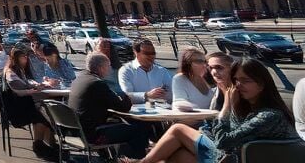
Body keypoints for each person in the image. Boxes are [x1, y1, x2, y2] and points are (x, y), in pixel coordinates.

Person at [120, 58, 297, 163]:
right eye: (236, 80)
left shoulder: (270, 115)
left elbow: (223, 142)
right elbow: (228, 135)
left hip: (235, 158)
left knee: (178, 130)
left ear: (262, 84)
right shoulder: (251, 108)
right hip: (232, 157)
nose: (238, 86)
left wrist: (227, 106)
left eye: (246, 80)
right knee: (177, 156)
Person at [67, 52, 147, 158]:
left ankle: (112, 157)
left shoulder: (79, 79)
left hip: (75, 132)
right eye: (108, 66)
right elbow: (123, 107)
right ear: (101, 68)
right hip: (92, 135)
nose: (110, 69)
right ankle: (137, 159)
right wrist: (127, 95)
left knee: (120, 124)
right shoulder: (97, 84)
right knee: (139, 129)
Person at [2, 47, 59, 159]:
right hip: (17, 110)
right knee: (43, 114)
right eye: (23, 57)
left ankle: (51, 145)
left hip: (22, 105)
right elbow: (20, 91)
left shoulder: (18, 71)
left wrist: (41, 84)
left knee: (44, 111)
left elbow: (25, 86)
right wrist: (37, 88)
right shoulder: (10, 73)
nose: (26, 59)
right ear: (15, 59)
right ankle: (39, 146)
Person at [119, 39, 173, 105]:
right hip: (137, 112)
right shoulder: (126, 71)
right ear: (136, 53)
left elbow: (172, 94)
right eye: (147, 53)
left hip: (161, 110)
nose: (151, 56)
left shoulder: (162, 71)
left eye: (153, 53)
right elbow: (127, 96)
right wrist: (147, 95)